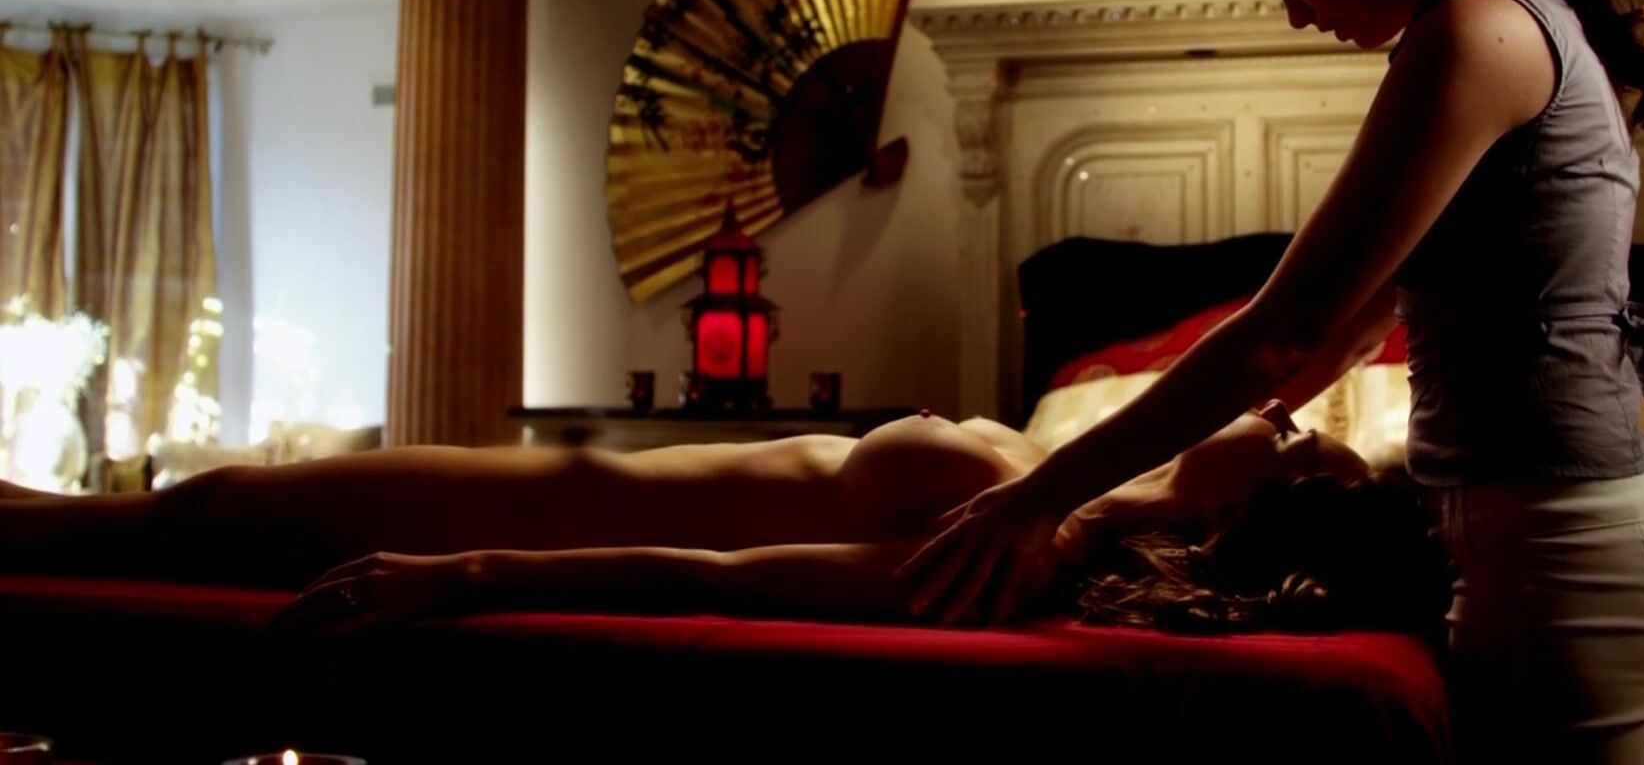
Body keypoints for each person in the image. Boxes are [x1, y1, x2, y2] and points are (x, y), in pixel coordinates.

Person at [899, 0, 1644, 764]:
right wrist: (1244, 433)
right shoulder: (1495, 17)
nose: (1293, 12)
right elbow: (1354, 325)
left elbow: (1279, 330)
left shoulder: (1474, 30)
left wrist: (1039, 497)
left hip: (1559, 543)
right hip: (1540, 535)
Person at [0, 409, 1445, 637]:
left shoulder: (1036, 548)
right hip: (535, 475)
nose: (1286, 412)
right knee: (165, 510)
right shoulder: (1077, 481)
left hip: (524, 520)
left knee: (179, 520)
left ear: (1258, 502)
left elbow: (743, 574)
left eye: (1301, 439)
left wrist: (466, 575)